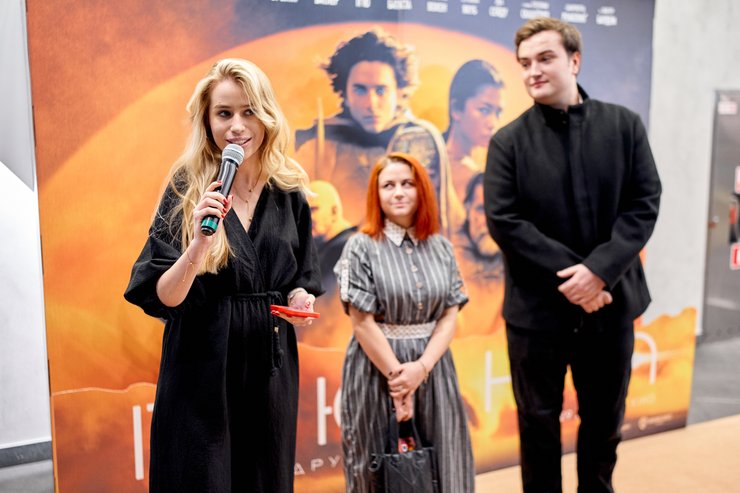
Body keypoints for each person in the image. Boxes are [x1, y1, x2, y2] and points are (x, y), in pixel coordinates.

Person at [124, 58, 322, 493]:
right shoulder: (186, 187)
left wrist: (299, 298)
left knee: (264, 477)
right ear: (208, 121)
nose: (237, 126)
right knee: (202, 477)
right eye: (224, 113)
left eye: (249, 111)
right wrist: (198, 245)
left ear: (267, 115)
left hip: (270, 369)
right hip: (202, 367)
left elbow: (301, 276)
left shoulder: (289, 188)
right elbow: (165, 297)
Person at [484, 18, 662, 493]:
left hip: (610, 308)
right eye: (525, 63)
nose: (533, 71)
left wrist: (599, 272)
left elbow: (643, 204)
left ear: (575, 60)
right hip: (537, 315)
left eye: (545, 58)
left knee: (604, 424)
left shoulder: (624, 126)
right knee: (537, 427)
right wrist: (580, 279)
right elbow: (506, 222)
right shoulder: (507, 143)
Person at [335, 152, 474, 492]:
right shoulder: (360, 247)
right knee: (376, 467)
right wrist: (399, 379)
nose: (398, 192)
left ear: (421, 189)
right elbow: (362, 322)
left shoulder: (441, 247)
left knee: (447, 462)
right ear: (376, 193)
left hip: (434, 369)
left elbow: (449, 313)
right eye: (388, 185)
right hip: (376, 370)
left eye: (407, 183)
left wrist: (422, 368)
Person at [295, 28, 455, 234]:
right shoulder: (317, 144)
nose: (371, 103)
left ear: (399, 92)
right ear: (344, 92)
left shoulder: (421, 139)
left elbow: (440, 222)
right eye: (360, 90)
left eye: (381, 90)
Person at [301, 179, 357, 347]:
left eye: (314, 209)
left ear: (334, 211)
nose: (308, 217)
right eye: (304, 210)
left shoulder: (349, 247)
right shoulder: (326, 246)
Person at [444, 59, 505, 204]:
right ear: (456, 109)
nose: (493, 123)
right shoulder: (428, 161)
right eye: (484, 110)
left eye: (498, 113)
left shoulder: (483, 176)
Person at [454, 172, 505, 337]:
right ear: (468, 211)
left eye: (497, 209)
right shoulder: (449, 256)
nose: (488, 220)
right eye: (481, 209)